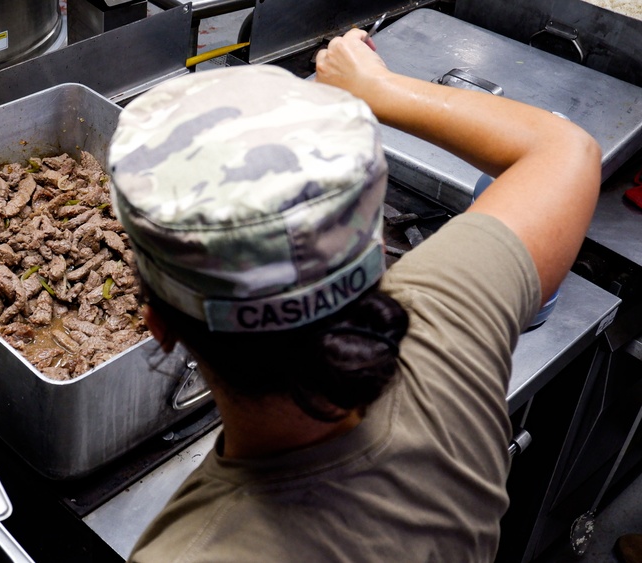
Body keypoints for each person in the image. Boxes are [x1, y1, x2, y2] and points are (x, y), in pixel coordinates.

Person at [106, 27, 600, 562]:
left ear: (158, 326)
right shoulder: (448, 329)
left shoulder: (194, 551)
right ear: (375, 256)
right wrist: (380, 89)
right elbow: (566, 148)